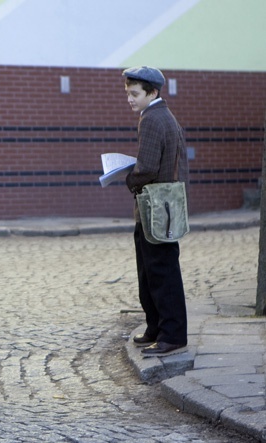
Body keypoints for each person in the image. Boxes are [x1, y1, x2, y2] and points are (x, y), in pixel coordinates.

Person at [122, 66, 189, 357]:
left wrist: (128, 178)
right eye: (128, 93)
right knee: (152, 270)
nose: (130, 99)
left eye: (135, 93)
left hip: (153, 208)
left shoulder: (151, 119)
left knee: (160, 271)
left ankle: (171, 335)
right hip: (163, 205)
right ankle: (156, 328)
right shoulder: (165, 116)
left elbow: (147, 167)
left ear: (153, 92)